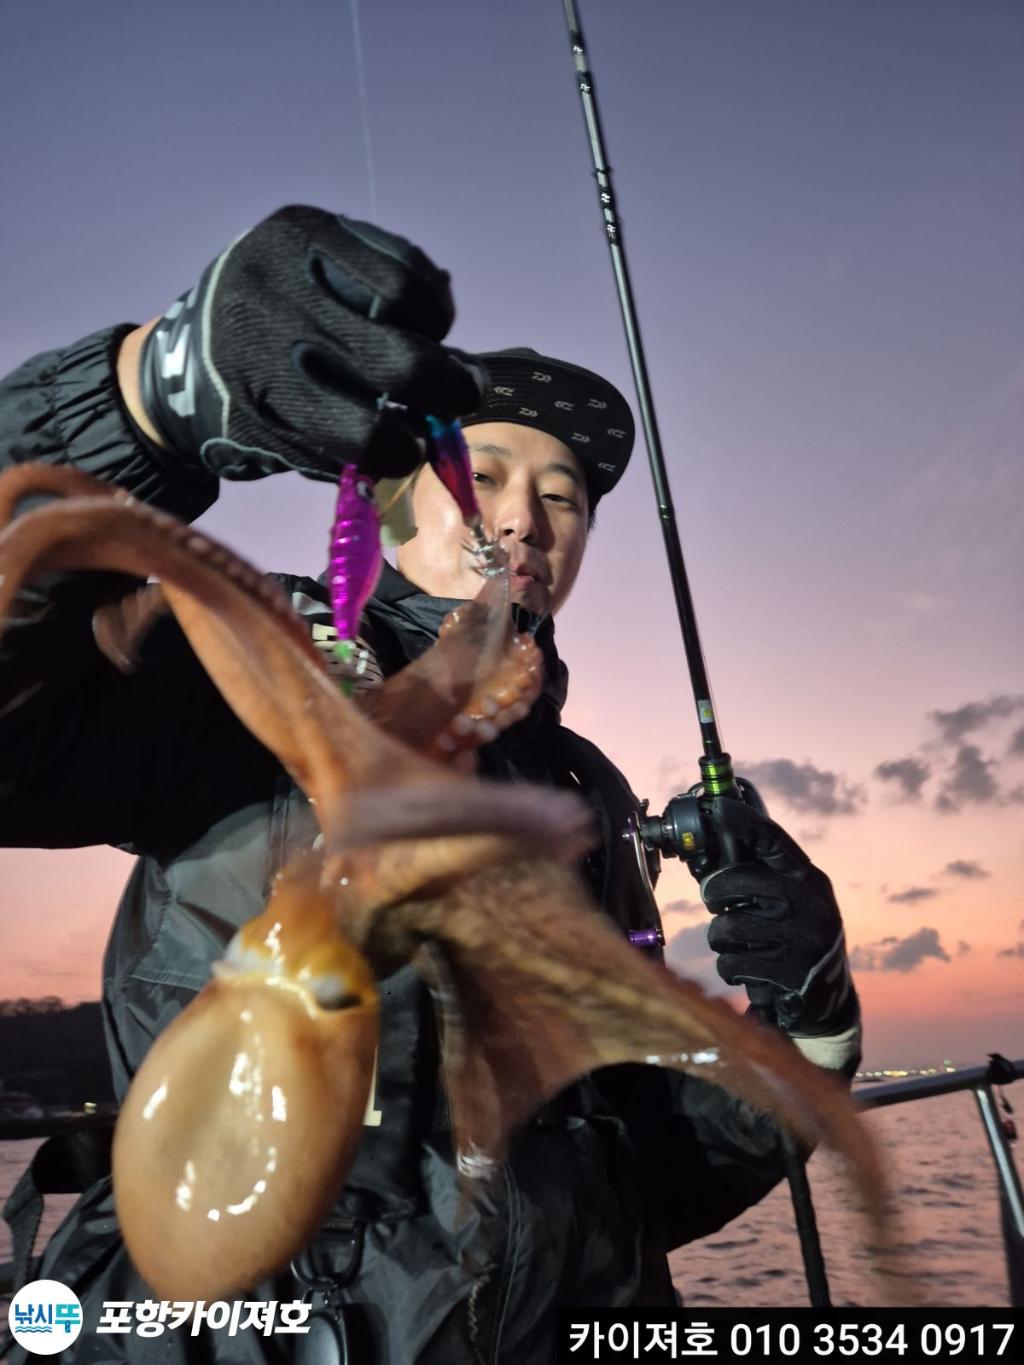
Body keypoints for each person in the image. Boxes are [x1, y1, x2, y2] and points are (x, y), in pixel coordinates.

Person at [0, 207, 861, 1363]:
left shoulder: (585, 794)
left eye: (563, 496)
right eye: (482, 472)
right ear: (385, 504)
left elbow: (633, 1172)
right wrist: (147, 399)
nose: (522, 519)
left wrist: (812, 1026)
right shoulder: (226, 684)